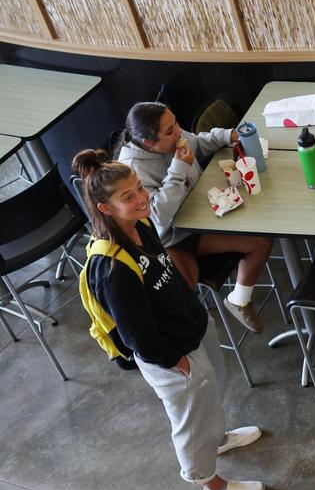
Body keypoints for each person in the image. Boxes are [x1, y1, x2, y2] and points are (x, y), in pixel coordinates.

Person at [73, 149, 265, 490]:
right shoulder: (112, 268)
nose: (141, 198)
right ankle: (212, 486)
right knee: (191, 422)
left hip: (191, 324)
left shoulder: (140, 224)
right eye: (127, 197)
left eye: (138, 189)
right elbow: (137, 337)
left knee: (211, 394)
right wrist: (178, 363)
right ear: (105, 208)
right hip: (172, 353)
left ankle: (218, 437)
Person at [116, 101, 273, 333]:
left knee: (261, 238)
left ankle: (239, 299)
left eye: (176, 123)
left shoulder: (174, 137)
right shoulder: (132, 168)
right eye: (169, 131)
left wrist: (227, 135)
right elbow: (157, 214)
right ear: (149, 143)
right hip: (172, 237)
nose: (178, 131)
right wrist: (179, 168)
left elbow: (198, 141)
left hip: (202, 214)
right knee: (186, 293)